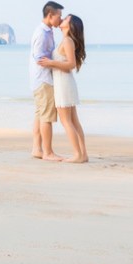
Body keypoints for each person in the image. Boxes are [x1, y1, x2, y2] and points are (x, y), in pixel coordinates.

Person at [45, 13, 88, 163]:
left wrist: (50, 63)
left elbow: (71, 64)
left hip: (64, 83)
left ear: (71, 25)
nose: (62, 19)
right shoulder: (65, 40)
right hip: (64, 82)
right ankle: (83, 154)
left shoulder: (68, 40)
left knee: (67, 121)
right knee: (74, 121)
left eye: (66, 18)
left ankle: (78, 155)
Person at [29, 1, 66, 161]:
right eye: (59, 15)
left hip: (39, 79)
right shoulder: (42, 33)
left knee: (40, 115)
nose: (61, 19)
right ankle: (48, 152)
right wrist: (57, 62)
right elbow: (39, 57)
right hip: (43, 80)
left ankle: (37, 149)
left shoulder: (47, 31)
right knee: (46, 117)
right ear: (50, 15)